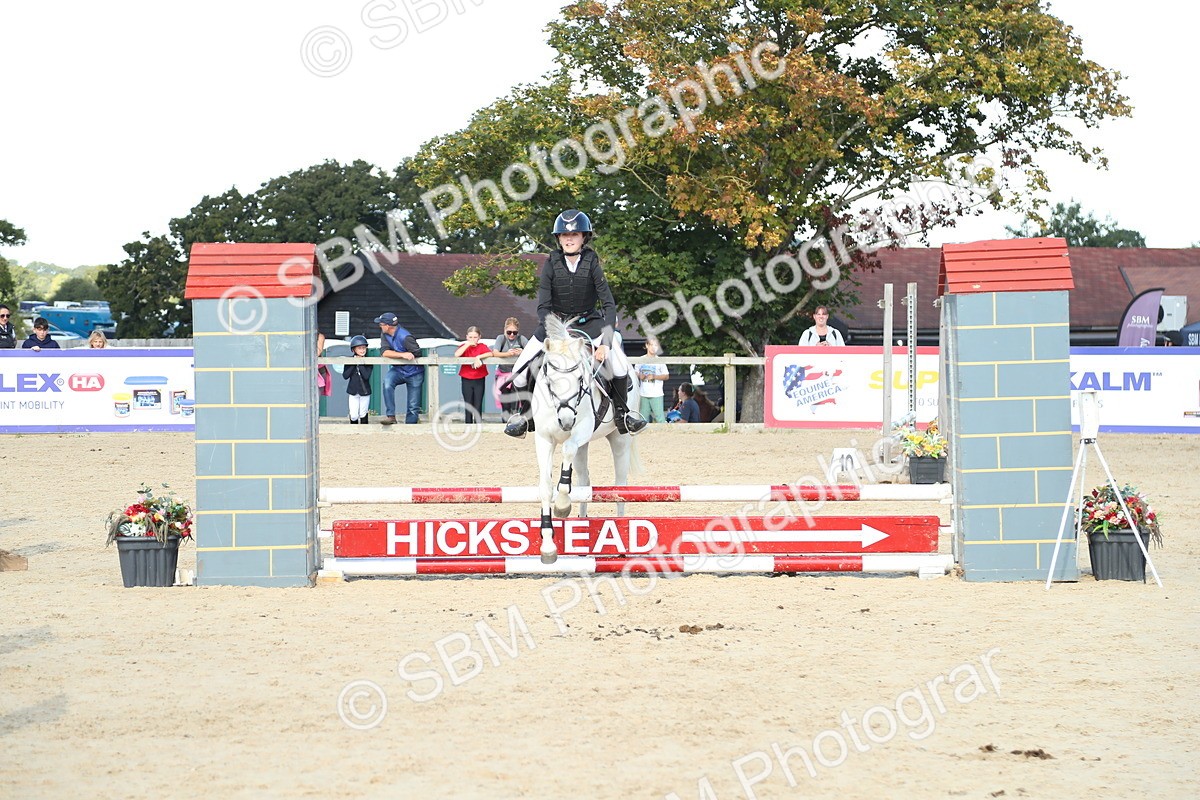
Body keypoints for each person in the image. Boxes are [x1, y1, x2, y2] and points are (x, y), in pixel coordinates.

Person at [503, 209, 646, 437]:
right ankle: (525, 416)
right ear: (559, 239)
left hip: (589, 323)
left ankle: (623, 414)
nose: (569, 239)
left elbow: (608, 305)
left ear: (584, 238)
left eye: (575, 235)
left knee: (619, 366)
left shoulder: (592, 263)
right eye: (564, 235)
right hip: (554, 326)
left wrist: (606, 343)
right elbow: (543, 306)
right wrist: (554, 333)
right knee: (519, 373)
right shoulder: (551, 264)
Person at [375, 312, 423, 425]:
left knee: (413, 405)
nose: (380, 326)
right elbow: (384, 352)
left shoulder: (406, 337)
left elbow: (417, 353)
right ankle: (391, 416)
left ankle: (410, 428)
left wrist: (404, 354)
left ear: (388, 325)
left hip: (414, 372)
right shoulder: (385, 334)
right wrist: (402, 354)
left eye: (381, 324)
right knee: (387, 383)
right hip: (398, 369)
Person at [491, 317, 527, 416]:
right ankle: (504, 423)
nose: (512, 335)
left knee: (515, 403)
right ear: (505, 330)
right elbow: (495, 353)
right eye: (509, 332)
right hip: (503, 374)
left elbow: (530, 352)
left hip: (516, 374)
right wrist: (507, 354)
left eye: (514, 333)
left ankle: (514, 422)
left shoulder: (521, 339)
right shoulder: (501, 338)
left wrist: (521, 352)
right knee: (505, 404)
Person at [455, 326, 491, 424]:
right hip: (466, 378)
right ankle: (468, 424)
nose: (473, 340)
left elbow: (490, 353)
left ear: (479, 337)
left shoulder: (482, 346)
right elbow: (457, 354)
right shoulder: (464, 346)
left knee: (478, 403)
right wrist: (467, 345)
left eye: (475, 337)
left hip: (479, 378)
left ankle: (478, 424)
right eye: (470, 337)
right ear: (467, 337)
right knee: (468, 403)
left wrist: (478, 357)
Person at [342, 335, 374, 425]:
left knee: (363, 413)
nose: (362, 350)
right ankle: (353, 431)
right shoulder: (349, 361)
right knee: (353, 415)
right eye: (359, 348)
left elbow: (366, 376)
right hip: (353, 391)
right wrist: (354, 363)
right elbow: (345, 375)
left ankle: (364, 432)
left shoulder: (369, 361)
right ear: (353, 350)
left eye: (364, 348)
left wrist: (360, 363)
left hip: (365, 391)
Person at [636, 338, 669, 423]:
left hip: (657, 394)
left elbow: (666, 376)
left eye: (656, 345)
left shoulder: (660, 361)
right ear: (647, 345)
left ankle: (664, 434)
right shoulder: (640, 359)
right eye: (651, 345)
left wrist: (654, 377)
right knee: (642, 419)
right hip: (643, 393)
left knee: (660, 418)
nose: (653, 347)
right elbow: (635, 373)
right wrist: (640, 375)